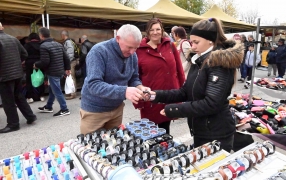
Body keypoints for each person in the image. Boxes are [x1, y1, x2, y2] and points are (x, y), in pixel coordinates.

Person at [147, 18, 244, 152]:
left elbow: (211, 103)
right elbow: (185, 92)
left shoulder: (219, 64)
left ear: (210, 40)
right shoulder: (199, 60)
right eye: (192, 42)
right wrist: (156, 95)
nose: (192, 46)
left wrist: (176, 110)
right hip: (202, 129)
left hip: (216, 133)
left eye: (196, 42)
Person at [80, 24, 150, 135]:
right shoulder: (99, 51)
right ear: (118, 39)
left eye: (136, 48)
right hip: (94, 110)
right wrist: (124, 91)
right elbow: (94, 84)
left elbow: (133, 78)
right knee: (91, 148)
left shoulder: (132, 55)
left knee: (114, 145)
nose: (132, 52)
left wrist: (140, 87)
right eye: (129, 47)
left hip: (117, 108)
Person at [134, 18, 185, 134]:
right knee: (151, 132)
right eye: (152, 30)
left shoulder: (170, 46)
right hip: (150, 98)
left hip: (170, 96)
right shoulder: (139, 50)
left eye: (158, 29)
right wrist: (138, 101)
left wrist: (183, 94)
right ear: (147, 32)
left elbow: (180, 71)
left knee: (165, 130)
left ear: (162, 30)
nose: (155, 32)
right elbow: (135, 77)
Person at [0, 23, 37, 133]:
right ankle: (30, 116)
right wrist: (16, 63)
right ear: (2, 27)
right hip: (17, 73)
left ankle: (13, 124)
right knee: (19, 96)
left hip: (4, 75)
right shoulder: (13, 39)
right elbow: (24, 54)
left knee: (8, 101)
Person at [34, 27, 71, 117]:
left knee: (57, 91)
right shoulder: (58, 44)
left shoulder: (43, 46)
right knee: (52, 90)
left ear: (41, 36)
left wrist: (36, 65)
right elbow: (66, 57)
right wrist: (67, 68)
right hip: (60, 70)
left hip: (52, 72)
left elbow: (45, 61)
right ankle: (49, 106)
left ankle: (64, 109)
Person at [24, 33, 45, 103]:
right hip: (39, 63)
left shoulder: (27, 45)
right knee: (41, 78)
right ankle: (41, 95)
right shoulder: (41, 45)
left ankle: (30, 97)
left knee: (29, 80)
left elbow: (23, 54)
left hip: (29, 64)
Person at [61, 30, 77, 99]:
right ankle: (70, 92)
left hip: (71, 62)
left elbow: (70, 54)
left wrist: (67, 63)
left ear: (63, 35)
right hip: (72, 61)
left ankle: (73, 93)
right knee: (70, 77)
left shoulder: (68, 42)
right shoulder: (70, 41)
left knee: (72, 77)